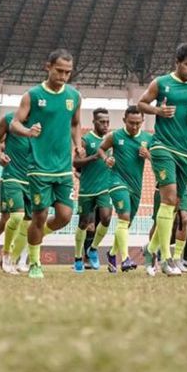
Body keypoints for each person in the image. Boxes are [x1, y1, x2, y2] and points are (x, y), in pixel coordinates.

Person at [10, 49, 83, 279]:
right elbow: (14, 124)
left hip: (63, 168)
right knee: (39, 216)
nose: (63, 76)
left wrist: (78, 144)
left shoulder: (74, 96)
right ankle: (34, 263)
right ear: (48, 66)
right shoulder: (32, 95)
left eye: (68, 72)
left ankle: (34, 240)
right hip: (39, 167)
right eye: (59, 70)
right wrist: (28, 131)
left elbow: (75, 124)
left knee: (64, 216)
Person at [139, 43, 187, 277]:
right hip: (162, 147)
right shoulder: (161, 83)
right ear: (177, 63)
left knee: (176, 203)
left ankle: (150, 251)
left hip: (186, 153)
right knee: (168, 199)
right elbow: (141, 103)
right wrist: (158, 111)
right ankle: (166, 259)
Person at [100, 105, 152, 272]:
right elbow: (101, 148)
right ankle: (126, 259)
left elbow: (157, 160)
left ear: (143, 121)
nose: (135, 126)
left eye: (138, 123)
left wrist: (148, 155)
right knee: (123, 218)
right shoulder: (115, 136)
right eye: (131, 123)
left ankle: (112, 253)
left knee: (126, 223)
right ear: (124, 120)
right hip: (116, 181)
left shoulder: (147, 139)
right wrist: (106, 159)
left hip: (136, 186)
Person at [0, 111, 32, 274]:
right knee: (11, 218)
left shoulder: (43, 123)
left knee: (30, 223)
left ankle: (21, 259)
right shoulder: (9, 120)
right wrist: (1, 154)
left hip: (33, 180)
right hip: (12, 175)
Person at [73, 108, 112, 272]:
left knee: (106, 218)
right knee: (84, 223)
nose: (105, 125)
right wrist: (93, 157)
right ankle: (77, 258)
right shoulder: (86, 140)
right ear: (94, 122)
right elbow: (75, 162)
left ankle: (93, 249)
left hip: (104, 188)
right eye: (102, 122)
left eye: (107, 122)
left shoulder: (111, 139)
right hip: (87, 189)